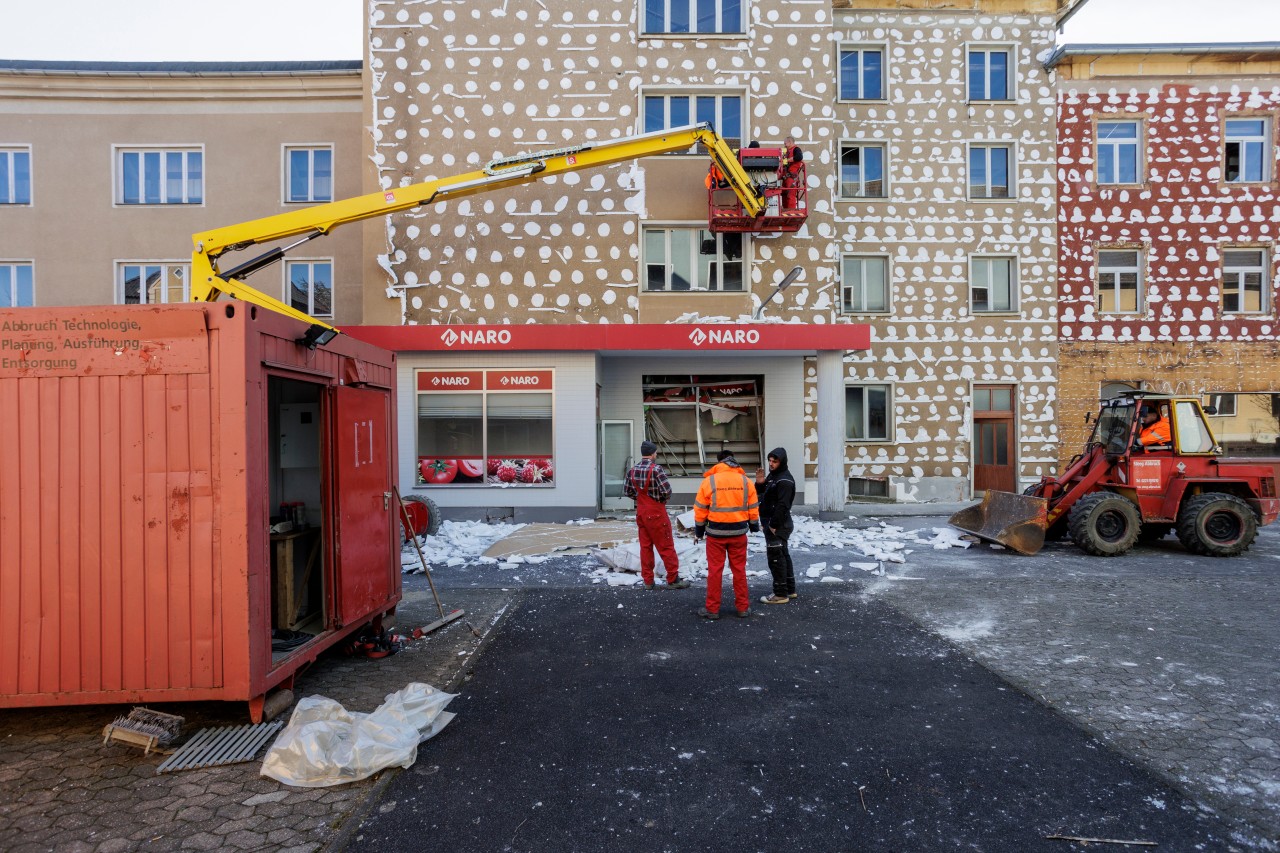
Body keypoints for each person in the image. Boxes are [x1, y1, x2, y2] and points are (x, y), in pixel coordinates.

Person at [693, 453, 760, 619]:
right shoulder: (745, 481)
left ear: (719, 463)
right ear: (734, 463)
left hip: (716, 534)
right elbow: (753, 505)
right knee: (739, 570)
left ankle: (712, 609)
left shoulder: (710, 481)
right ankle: (743, 608)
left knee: (715, 571)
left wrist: (699, 530)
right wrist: (753, 525)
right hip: (738, 533)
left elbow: (700, 508)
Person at [623, 440, 689, 590]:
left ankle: (648, 581)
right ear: (652, 453)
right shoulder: (656, 469)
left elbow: (627, 491)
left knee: (645, 547)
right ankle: (673, 579)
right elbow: (667, 491)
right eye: (656, 452)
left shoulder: (632, 471)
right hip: (657, 513)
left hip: (641, 512)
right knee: (666, 546)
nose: (656, 454)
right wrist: (659, 500)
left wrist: (640, 498)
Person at [755, 448, 797, 604]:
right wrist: (760, 484)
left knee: (776, 559)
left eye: (775, 461)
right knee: (782, 555)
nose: (771, 464)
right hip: (775, 523)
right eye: (770, 461)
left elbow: (783, 504)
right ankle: (789, 590)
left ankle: (780, 594)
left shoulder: (784, 480)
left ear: (782, 461)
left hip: (778, 524)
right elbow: (765, 496)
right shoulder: (775, 476)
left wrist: (773, 524)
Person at [780, 136, 805, 209]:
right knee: (784, 194)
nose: (784, 145)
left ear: (790, 142)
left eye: (785, 143)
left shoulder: (796, 149)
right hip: (786, 177)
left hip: (791, 176)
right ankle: (785, 209)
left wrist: (787, 160)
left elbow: (799, 157)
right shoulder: (787, 151)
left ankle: (791, 210)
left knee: (790, 194)